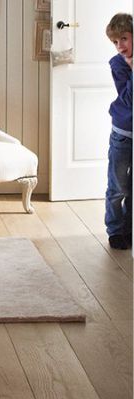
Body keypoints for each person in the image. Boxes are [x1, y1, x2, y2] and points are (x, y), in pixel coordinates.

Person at [105, 13, 132, 250]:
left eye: (124, 38)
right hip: (123, 134)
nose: (120, 46)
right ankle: (115, 230)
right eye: (115, 42)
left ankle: (129, 229)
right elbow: (130, 99)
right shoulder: (118, 65)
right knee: (117, 187)